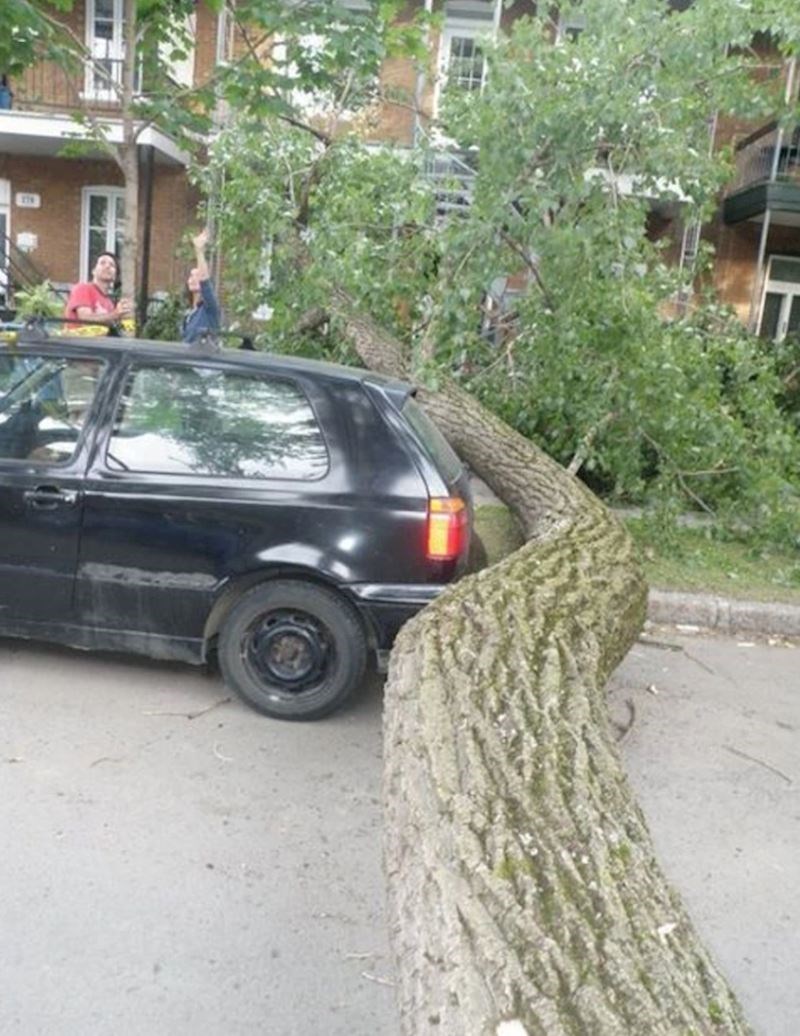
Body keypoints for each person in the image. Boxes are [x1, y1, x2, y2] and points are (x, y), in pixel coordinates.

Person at [63, 252, 133, 327]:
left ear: (115, 277)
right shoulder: (83, 288)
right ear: (93, 271)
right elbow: (85, 319)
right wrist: (115, 314)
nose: (107, 266)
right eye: (102, 263)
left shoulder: (109, 303)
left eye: (112, 265)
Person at [182, 228, 221, 344]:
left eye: (197, 276)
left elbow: (205, 280)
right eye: (191, 276)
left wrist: (199, 251)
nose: (192, 279)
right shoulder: (190, 314)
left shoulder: (210, 309)